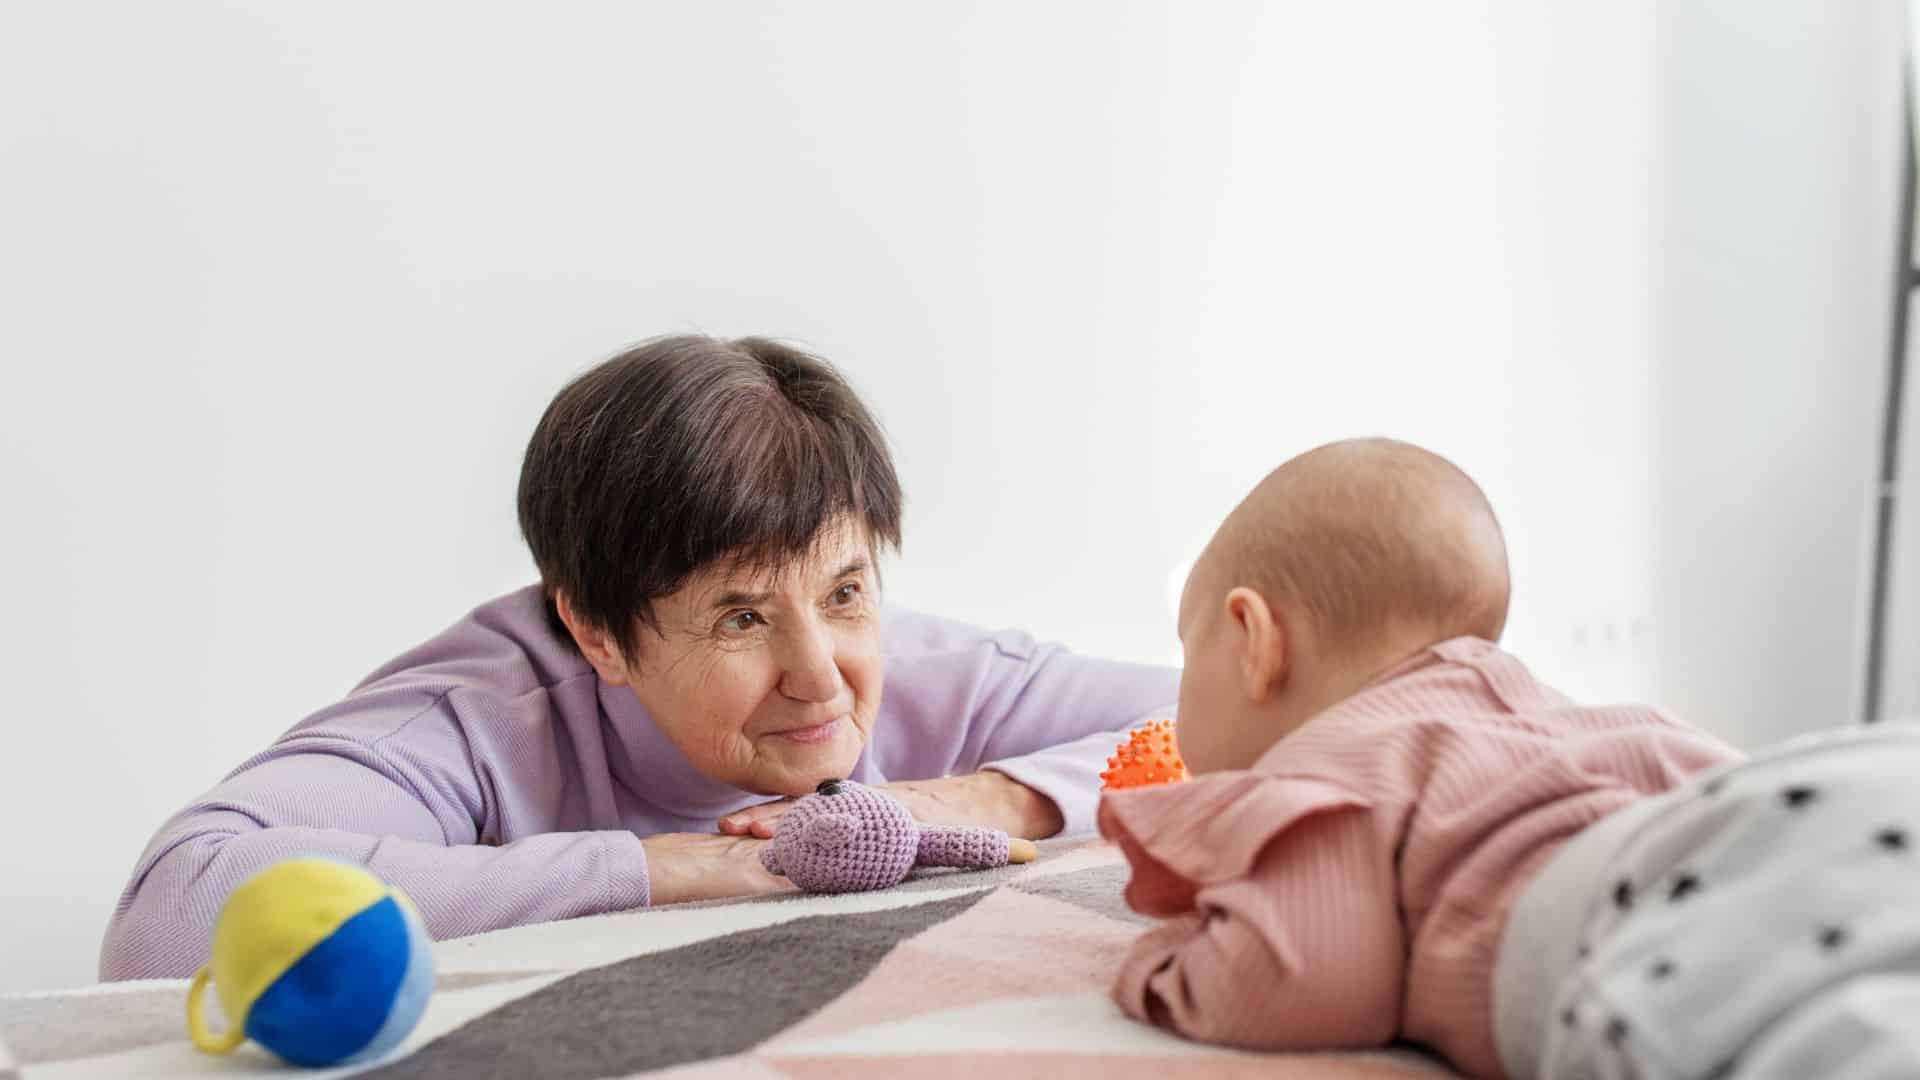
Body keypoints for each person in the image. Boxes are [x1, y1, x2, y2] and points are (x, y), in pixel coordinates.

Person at [101, 335, 1176, 980]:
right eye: (742, 619)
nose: (822, 677)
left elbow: (1260, 720)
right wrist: (675, 868)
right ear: (596, 631)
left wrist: (987, 801)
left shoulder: (926, 672)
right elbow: (172, 913)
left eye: (846, 593)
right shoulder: (485, 714)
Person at [1096, 438, 1739, 1078]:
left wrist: (1158, 964)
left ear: (1254, 641)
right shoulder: (1591, 720)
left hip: (1646, 945)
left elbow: (1301, 983)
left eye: (1189, 653)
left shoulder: (1329, 770)